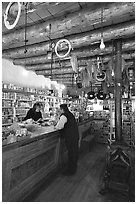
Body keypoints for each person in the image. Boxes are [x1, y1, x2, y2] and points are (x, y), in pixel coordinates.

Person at [55, 104, 79, 175]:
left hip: (70, 137)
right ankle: (73, 169)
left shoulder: (64, 116)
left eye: (60, 109)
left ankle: (70, 170)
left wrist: (55, 125)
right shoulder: (70, 114)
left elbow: (59, 126)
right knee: (74, 152)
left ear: (62, 109)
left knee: (71, 153)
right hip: (74, 135)